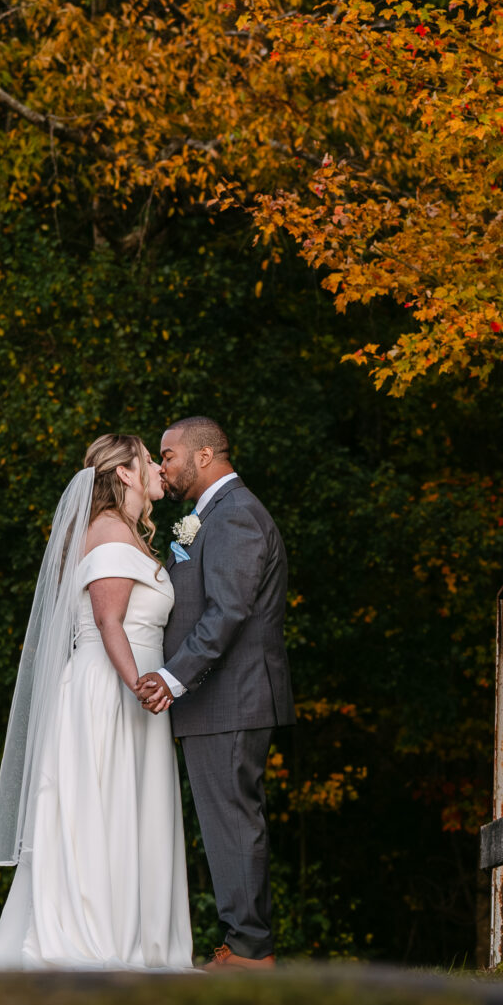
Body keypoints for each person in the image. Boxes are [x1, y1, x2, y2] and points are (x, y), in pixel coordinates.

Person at [0, 434, 193, 970]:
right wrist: (139, 684)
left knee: (127, 806)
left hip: (128, 688)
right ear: (124, 474)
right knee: (105, 806)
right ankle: (98, 937)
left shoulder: (124, 534)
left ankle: (134, 936)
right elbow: (107, 621)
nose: (156, 469)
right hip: (113, 689)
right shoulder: (113, 532)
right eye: (148, 460)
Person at [135, 415, 293, 970]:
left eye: (169, 455)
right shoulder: (212, 516)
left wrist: (173, 678)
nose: (163, 466)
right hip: (219, 697)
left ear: (204, 457)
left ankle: (251, 951)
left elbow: (229, 612)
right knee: (226, 821)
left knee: (232, 820)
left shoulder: (237, 516)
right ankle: (242, 941)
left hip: (232, 695)